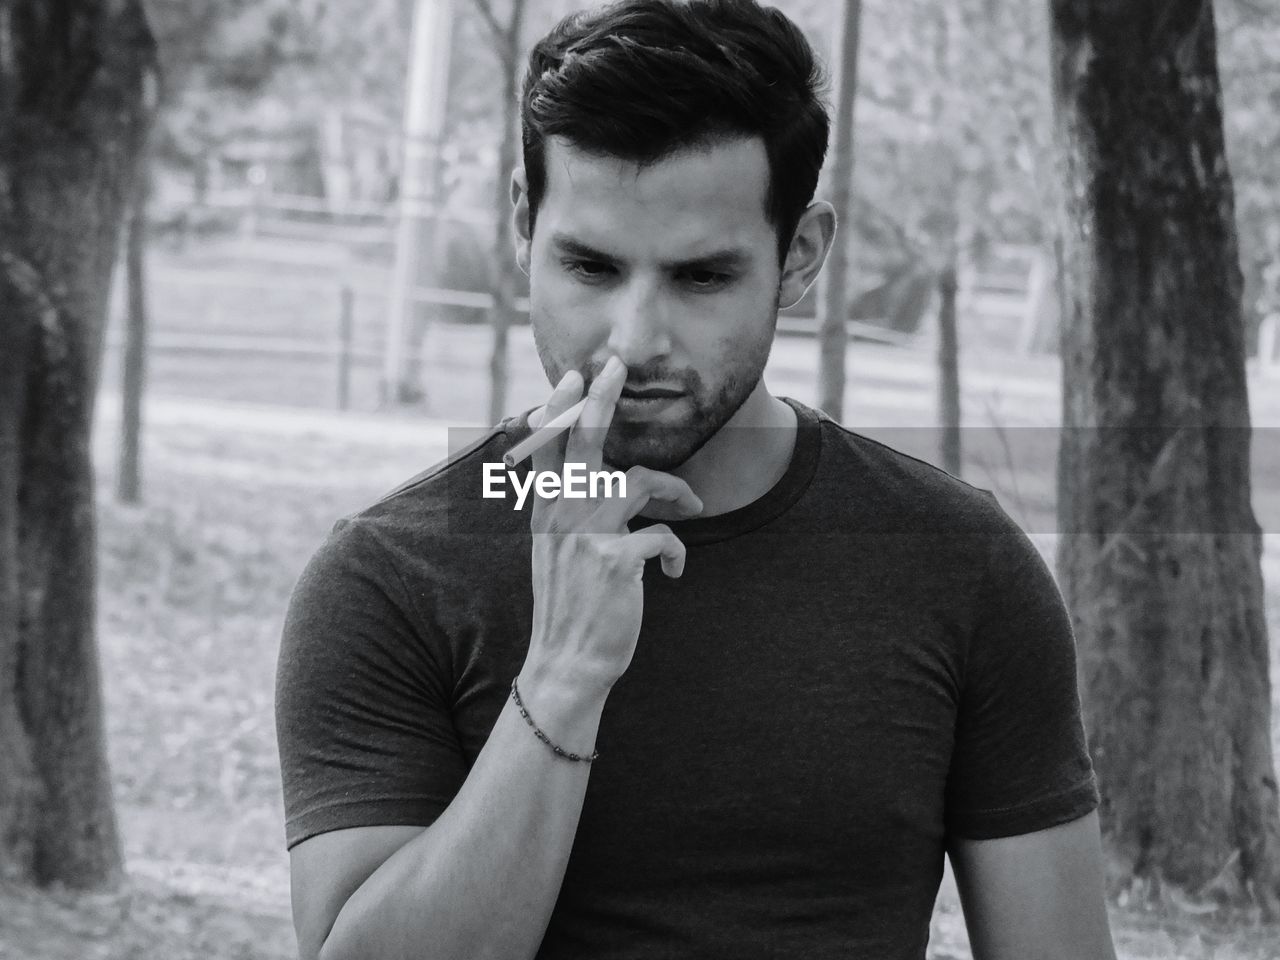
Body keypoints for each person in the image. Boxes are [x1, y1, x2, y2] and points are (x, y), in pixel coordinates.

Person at [275, 0, 1118, 957]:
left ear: (798, 257)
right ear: (522, 222)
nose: (634, 342)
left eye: (702, 278)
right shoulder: (389, 578)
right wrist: (562, 677)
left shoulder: (958, 563)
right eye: (591, 267)